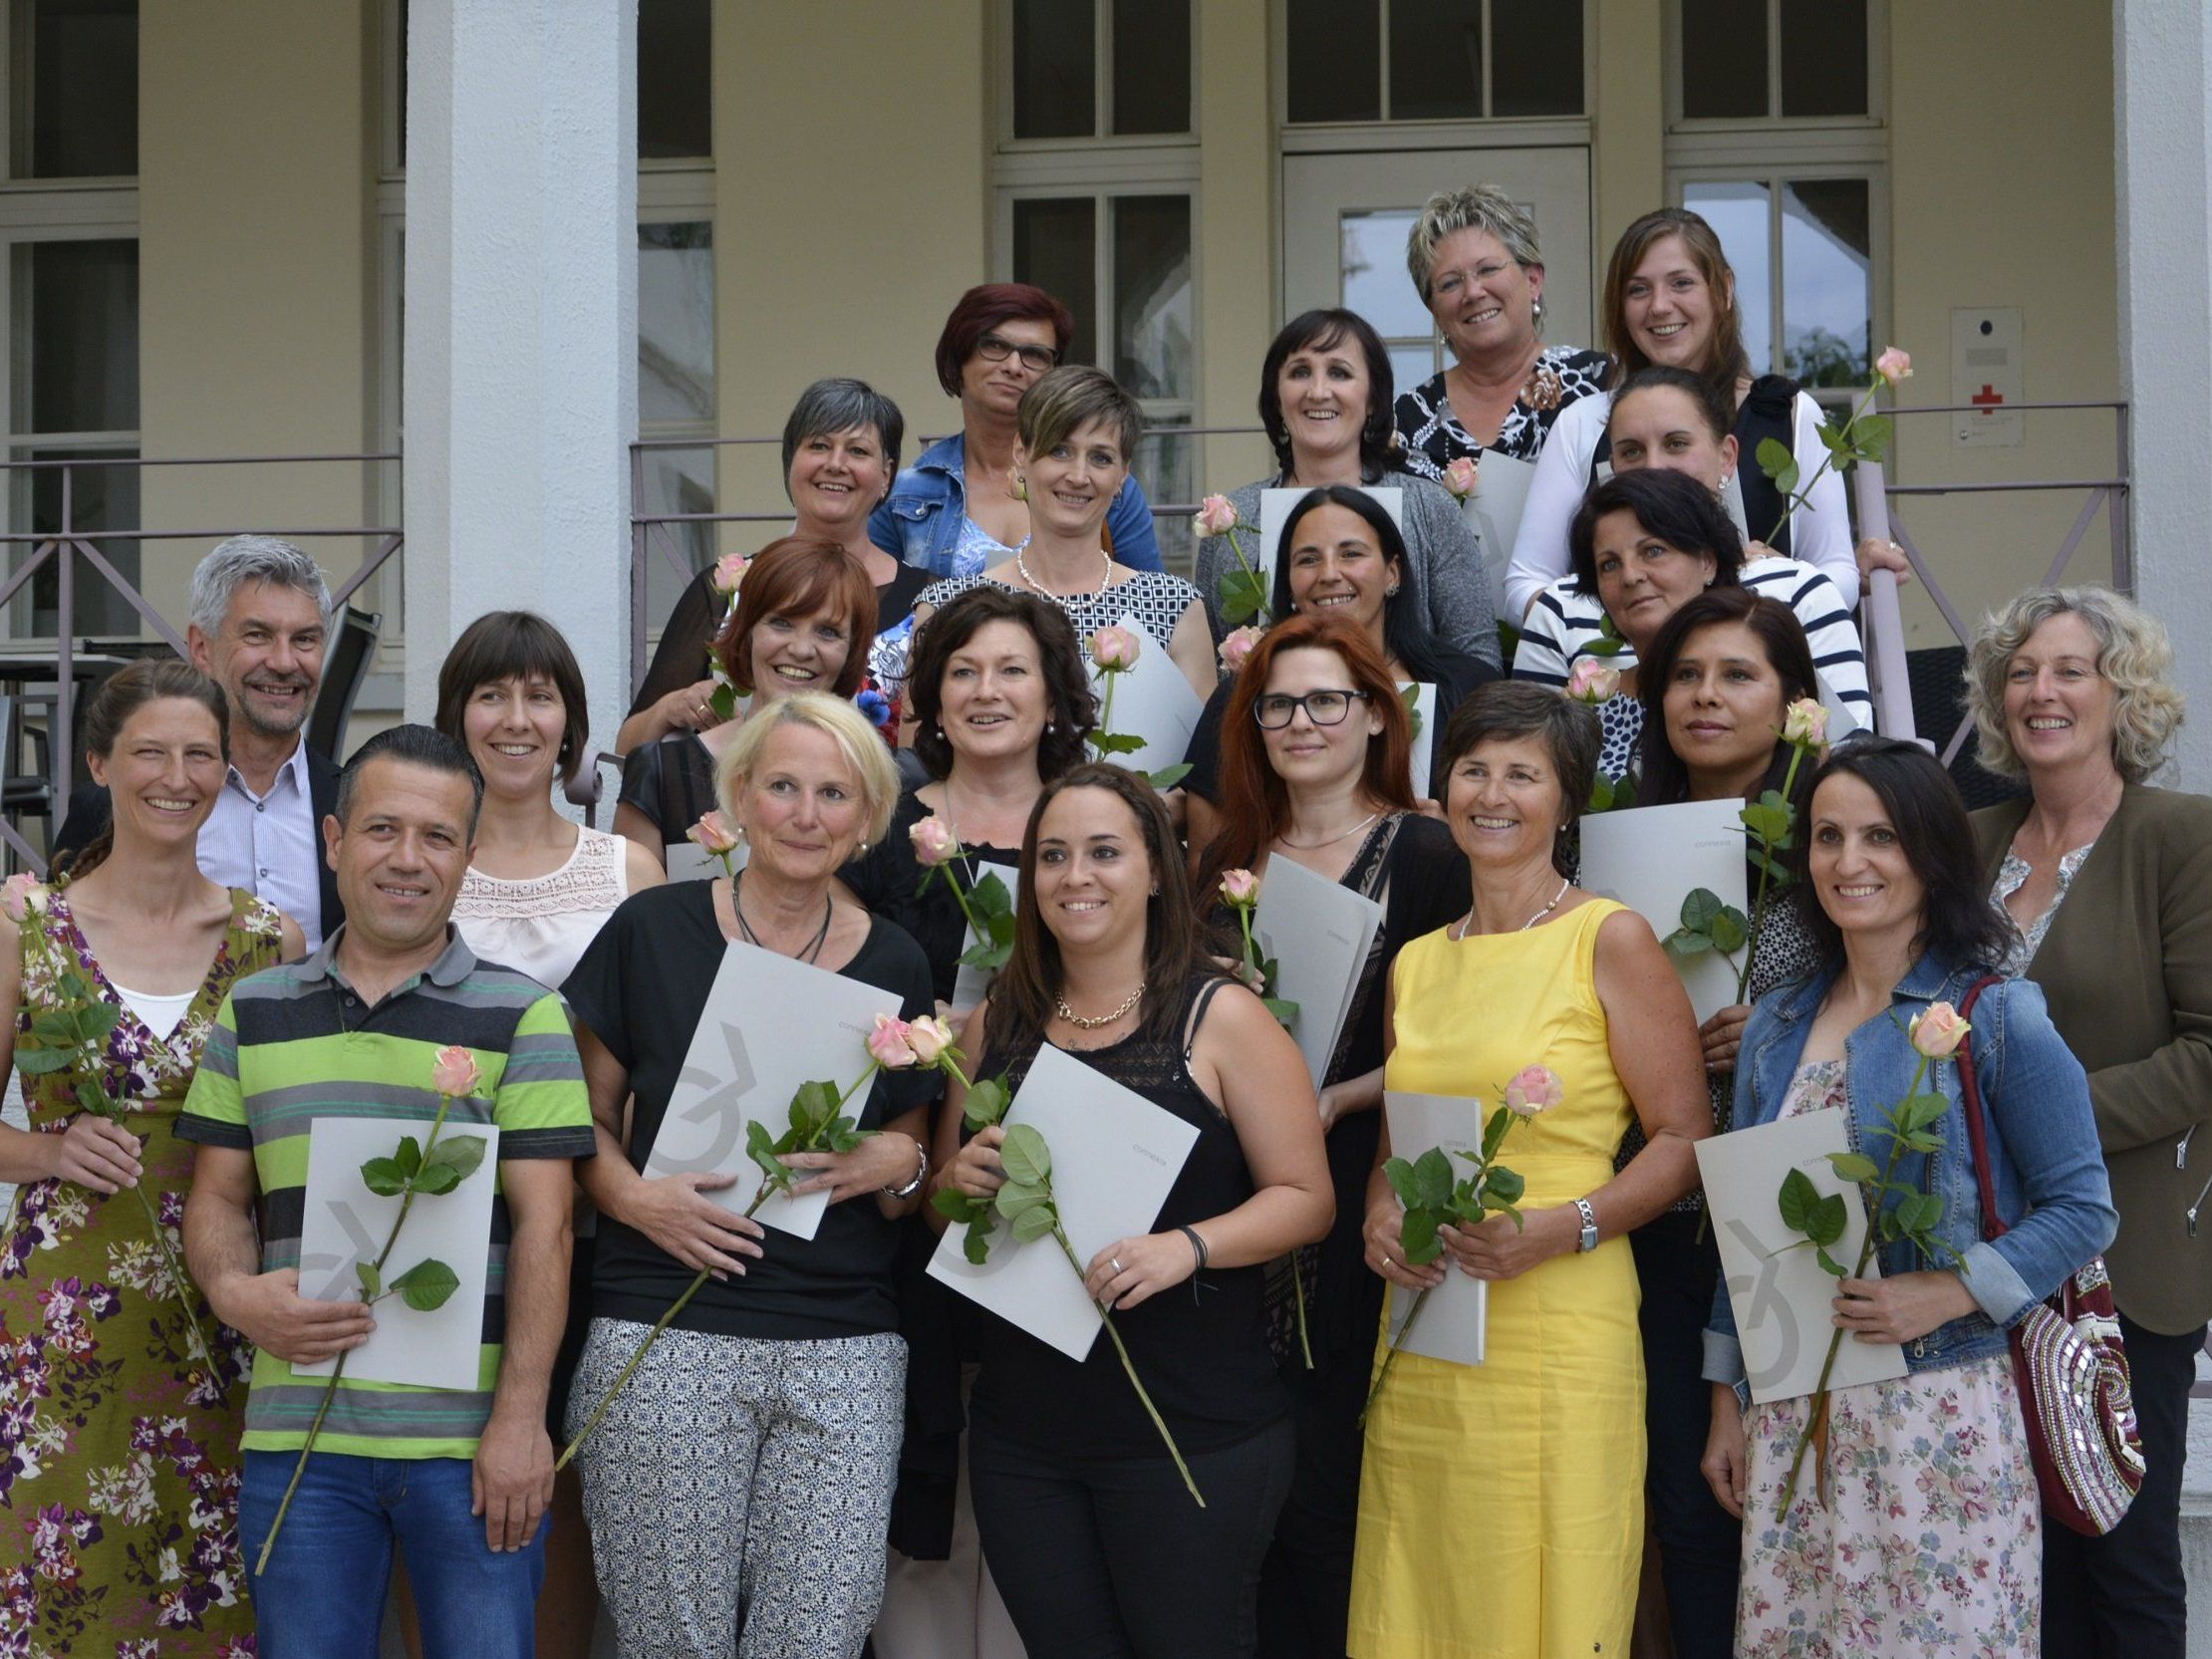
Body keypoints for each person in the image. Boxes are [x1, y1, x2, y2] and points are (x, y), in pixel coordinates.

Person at [179, 724, 595, 1657]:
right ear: (334, 841)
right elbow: (216, 1198)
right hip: (299, 1441)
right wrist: (235, 1292)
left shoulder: (525, 1015)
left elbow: (548, 1227)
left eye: (438, 836)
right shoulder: (255, 1009)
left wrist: (521, 1419)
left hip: (470, 1447)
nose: (408, 859)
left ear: (468, 856)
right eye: (382, 829)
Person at [1703, 736, 2117, 1652]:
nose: (1848, 861)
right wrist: (1725, 1393)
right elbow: (1748, 1224)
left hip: (1940, 1413)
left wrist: (1954, 1287)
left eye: (1880, 836)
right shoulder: (1776, 1024)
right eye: (1828, 836)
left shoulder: (1993, 1012)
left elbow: (2085, 1207)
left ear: (1930, 852)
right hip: (1795, 1418)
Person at [562, 692, 939, 1659]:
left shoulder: (896, 960)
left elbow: (911, 1158)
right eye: (782, 787)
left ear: (868, 818)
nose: (806, 815)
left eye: (834, 794)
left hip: (843, 1341)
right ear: (739, 795)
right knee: (672, 1643)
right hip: (666, 1320)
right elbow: (581, 1122)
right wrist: (632, 1197)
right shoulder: (651, 928)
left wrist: (897, 1159)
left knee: (817, 1638)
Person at [933, 762, 1333, 1659]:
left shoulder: (1222, 1016)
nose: (1075, 875)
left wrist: (1187, 1246)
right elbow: (942, 1213)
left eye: (1104, 852)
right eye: (1052, 855)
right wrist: (960, 1180)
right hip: (1025, 1438)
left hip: (1190, 1432)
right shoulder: (998, 1019)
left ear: (1157, 869)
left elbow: (1309, 1199)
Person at [1353, 683, 1709, 1658]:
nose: (1493, 794)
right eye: (1473, 770)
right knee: (1424, 1573)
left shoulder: (1610, 937)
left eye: (1523, 773)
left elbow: (1684, 1139)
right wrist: (1379, 1214)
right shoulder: (1415, 962)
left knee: (1548, 1573)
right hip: (1429, 1322)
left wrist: (1568, 1226)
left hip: (1560, 1316)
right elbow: (1394, 1147)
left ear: (1567, 799)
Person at [0, 661, 300, 1655]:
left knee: (214, 1596)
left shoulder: (269, 941)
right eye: (150, 753)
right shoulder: (27, 929)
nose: (177, 778)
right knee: (67, 1592)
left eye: (200, 755)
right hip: (66, 1320)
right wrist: (45, 1149)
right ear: (100, 763)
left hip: (228, 1317)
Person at [1187, 612, 1469, 1659]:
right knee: (1249, 1495)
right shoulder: (1229, 859)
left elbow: (1462, 1042)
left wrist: (1342, 1098)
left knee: (1328, 1491)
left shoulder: (1430, 851)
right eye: (1277, 705)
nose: (1300, 722)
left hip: (1360, 1186)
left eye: (1326, 700)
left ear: (1376, 716)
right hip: (1240, 1192)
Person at [1963, 586, 2210, 1659]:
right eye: (2021, 672)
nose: (2042, 691)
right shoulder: (1965, 842)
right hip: (1982, 1259)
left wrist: (2041, 1129)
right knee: (2026, 1564)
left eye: (2071, 669)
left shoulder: (2181, 835)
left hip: (2126, 1263)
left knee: (2126, 1559)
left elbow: (2207, 1050)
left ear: (2123, 694)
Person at [433, 609, 664, 1659]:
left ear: (571, 721)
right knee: (441, 1489)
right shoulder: (422, 858)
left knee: (560, 1478)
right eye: (492, 695)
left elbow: (653, 1056)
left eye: (540, 695)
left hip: (590, 1223)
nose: (516, 719)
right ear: (457, 715)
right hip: (442, 1216)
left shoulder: (629, 870)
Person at [1621, 587, 1826, 1656]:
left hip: (1797, 1212)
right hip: (1660, 1215)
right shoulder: (1610, 848)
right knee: (1689, 1510)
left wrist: (1785, 1030)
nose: (1705, 696)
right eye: (1686, 676)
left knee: (1798, 1503)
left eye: (1738, 675)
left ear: (1791, 701)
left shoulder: (1838, 840)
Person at [1507, 207, 1882, 623]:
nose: (1659, 306)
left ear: (1724, 289)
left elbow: (1839, 574)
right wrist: (1620, 609)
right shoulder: (1583, 422)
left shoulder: (1789, 415)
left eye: (1681, 283)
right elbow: (1525, 585)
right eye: (1638, 290)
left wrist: (1769, 584)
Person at [1513, 367, 1872, 732]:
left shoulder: (1800, 593)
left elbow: (1849, 747)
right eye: (1632, 451)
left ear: (1727, 456)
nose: (1654, 467)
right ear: (1613, 465)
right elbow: (1530, 754)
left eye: (1676, 444)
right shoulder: (1560, 609)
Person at [54, 534, 343, 947]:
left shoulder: (351, 804)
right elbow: (59, 956)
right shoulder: (118, 804)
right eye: (257, 635)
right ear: (202, 648)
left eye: (305, 639)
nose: (283, 662)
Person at [1182, 485, 1500, 850]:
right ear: (1288, 581)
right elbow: (1207, 856)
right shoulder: (1243, 696)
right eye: (1308, 559)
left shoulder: (1467, 688)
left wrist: (1456, 840)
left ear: (1392, 573)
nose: (1329, 573)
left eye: (1351, 554)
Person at [623, 379, 926, 754]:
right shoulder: (726, 586)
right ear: (790, 462)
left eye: (858, 451)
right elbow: (628, 749)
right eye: (819, 445)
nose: (836, 464)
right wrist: (673, 707)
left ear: (886, 476)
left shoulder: (927, 601)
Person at [843, 584, 1097, 1012]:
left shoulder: (1097, 832)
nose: (986, 691)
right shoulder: (877, 826)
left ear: (1053, 700)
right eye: (963, 672)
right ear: (939, 705)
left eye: (1012, 670)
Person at [1192, 308, 1497, 663]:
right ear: (1277, 396)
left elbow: (1477, 659)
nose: (1318, 391)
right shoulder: (1232, 521)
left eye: (1339, 372)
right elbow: (1211, 670)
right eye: (1300, 372)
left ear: (1373, 399)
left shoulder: (1430, 508)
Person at [911, 366, 1212, 700]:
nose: (1078, 476)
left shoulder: (1173, 606)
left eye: (1100, 458)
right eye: (1059, 451)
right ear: (1021, 453)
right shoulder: (946, 607)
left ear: (1123, 474)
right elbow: (921, 735)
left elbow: (1201, 736)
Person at [614, 534, 881, 867]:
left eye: (827, 632)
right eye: (781, 623)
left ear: (852, 651)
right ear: (748, 632)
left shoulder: (872, 778)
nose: (801, 649)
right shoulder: (662, 773)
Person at [1388, 185, 1612, 577]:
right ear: (1435, 311)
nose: (1473, 292)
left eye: (1488, 270)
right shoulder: (1406, 419)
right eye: (1450, 283)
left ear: (1533, 280)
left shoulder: (1600, 383)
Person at [872, 282, 1161, 579]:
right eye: (995, 346)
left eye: (1034, 354)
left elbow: (1150, 598)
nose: (1013, 366)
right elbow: (873, 603)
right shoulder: (906, 493)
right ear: (959, 357)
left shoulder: (1101, 485)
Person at [1518, 466, 1743, 783]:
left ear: (1707, 562)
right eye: (1609, 564)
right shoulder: (1584, 715)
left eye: (1653, 551)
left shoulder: (1761, 687)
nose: (1630, 576)